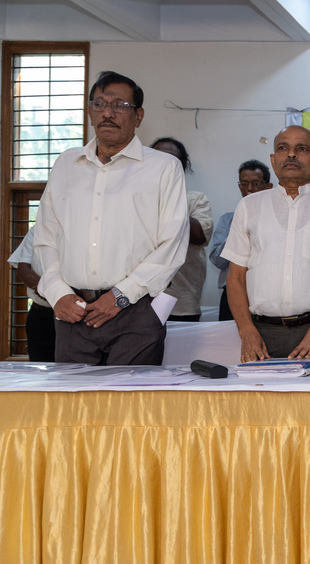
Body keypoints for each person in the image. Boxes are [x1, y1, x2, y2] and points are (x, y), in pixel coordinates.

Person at [34, 70, 189, 365]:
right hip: (73, 310)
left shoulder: (164, 168)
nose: (108, 113)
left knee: (130, 396)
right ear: (90, 112)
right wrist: (57, 293)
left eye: (120, 105)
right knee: (73, 395)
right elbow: (45, 237)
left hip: (135, 312)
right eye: (100, 104)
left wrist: (120, 296)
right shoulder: (66, 163)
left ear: (138, 115)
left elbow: (172, 244)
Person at [222, 126, 310, 362]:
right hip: (261, 336)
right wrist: (246, 331)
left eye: (302, 148)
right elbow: (235, 277)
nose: (291, 154)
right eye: (283, 148)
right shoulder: (249, 206)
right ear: (273, 159)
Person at [151, 137, 213, 322]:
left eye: (172, 159)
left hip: (181, 301)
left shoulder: (196, 199)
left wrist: (170, 197)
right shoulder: (137, 198)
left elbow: (200, 236)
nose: (164, 163)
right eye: (158, 157)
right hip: (139, 300)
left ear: (183, 166)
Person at [210, 160, 273, 321]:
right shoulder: (227, 220)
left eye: (256, 183)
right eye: (244, 183)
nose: (249, 189)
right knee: (229, 338)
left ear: (268, 187)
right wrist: (239, 230)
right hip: (232, 294)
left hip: (266, 295)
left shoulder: (277, 221)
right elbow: (217, 260)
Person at [7, 225, 56, 361]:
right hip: (42, 315)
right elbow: (23, 268)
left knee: (76, 371)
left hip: (77, 317)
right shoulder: (37, 229)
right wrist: (46, 289)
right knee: (41, 369)